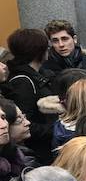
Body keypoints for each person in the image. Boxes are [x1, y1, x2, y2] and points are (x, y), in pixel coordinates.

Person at [2, 29, 56, 165]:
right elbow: (26, 123)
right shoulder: (23, 81)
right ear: (38, 50)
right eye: (46, 46)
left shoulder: (40, 74)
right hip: (38, 152)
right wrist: (58, 128)